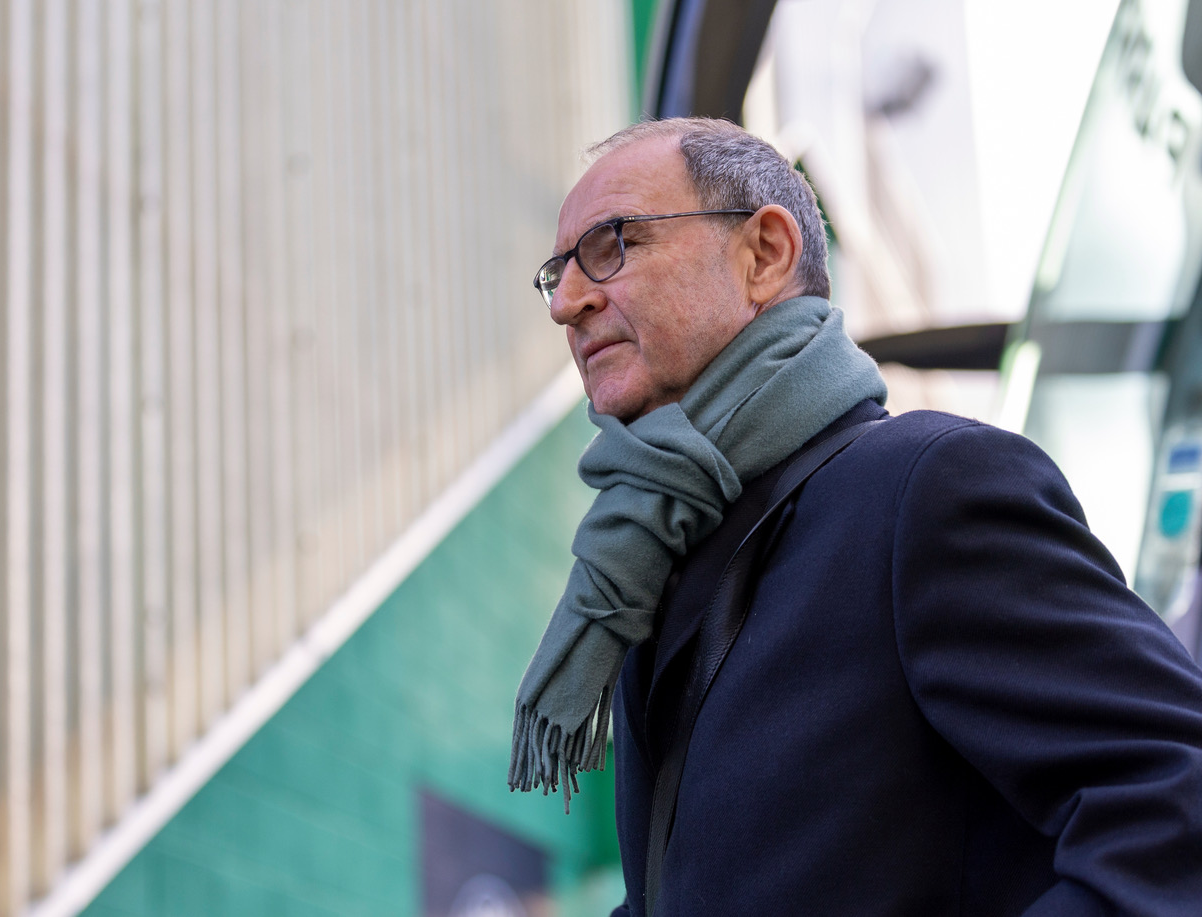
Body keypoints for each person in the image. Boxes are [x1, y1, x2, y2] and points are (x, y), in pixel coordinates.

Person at [507, 117, 1202, 916]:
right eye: (556, 273)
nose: (567, 302)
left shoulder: (927, 488)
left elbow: (1177, 805)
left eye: (611, 244)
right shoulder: (652, 561)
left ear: (764, 253)